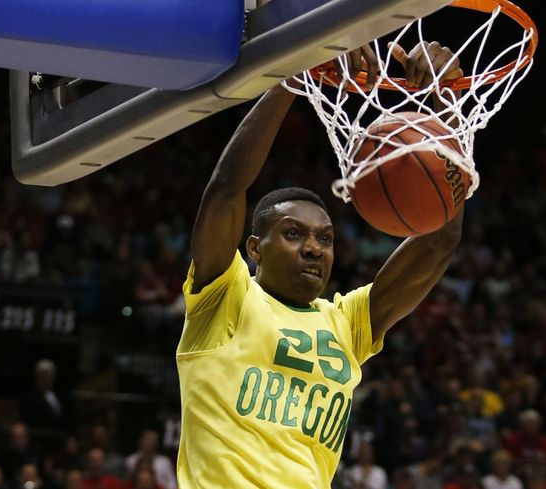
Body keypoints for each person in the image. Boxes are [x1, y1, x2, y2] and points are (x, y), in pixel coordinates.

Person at [175, 41, 464, 488]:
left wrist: (443, 111)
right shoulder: (225, 297)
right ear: (254, 248)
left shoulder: (346, 323)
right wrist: (294, 73)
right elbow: (227, 187)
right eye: (294, 234)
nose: (314, 248)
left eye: (325, 239)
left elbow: (440, 239)